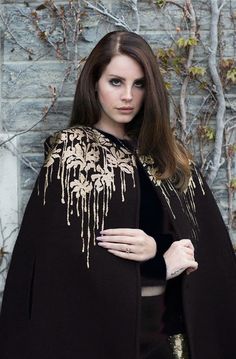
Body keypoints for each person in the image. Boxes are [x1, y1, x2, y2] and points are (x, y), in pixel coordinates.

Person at [0, 30, 236, 359]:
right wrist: (159, 266)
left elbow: (207, 256)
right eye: (115, 82)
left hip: (171, 344)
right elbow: (67, 273)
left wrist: (159, 247)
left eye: (139, 84)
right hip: (112, 345)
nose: (128, 96)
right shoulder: (73, 152)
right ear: (94, 83)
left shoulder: (169, 156)